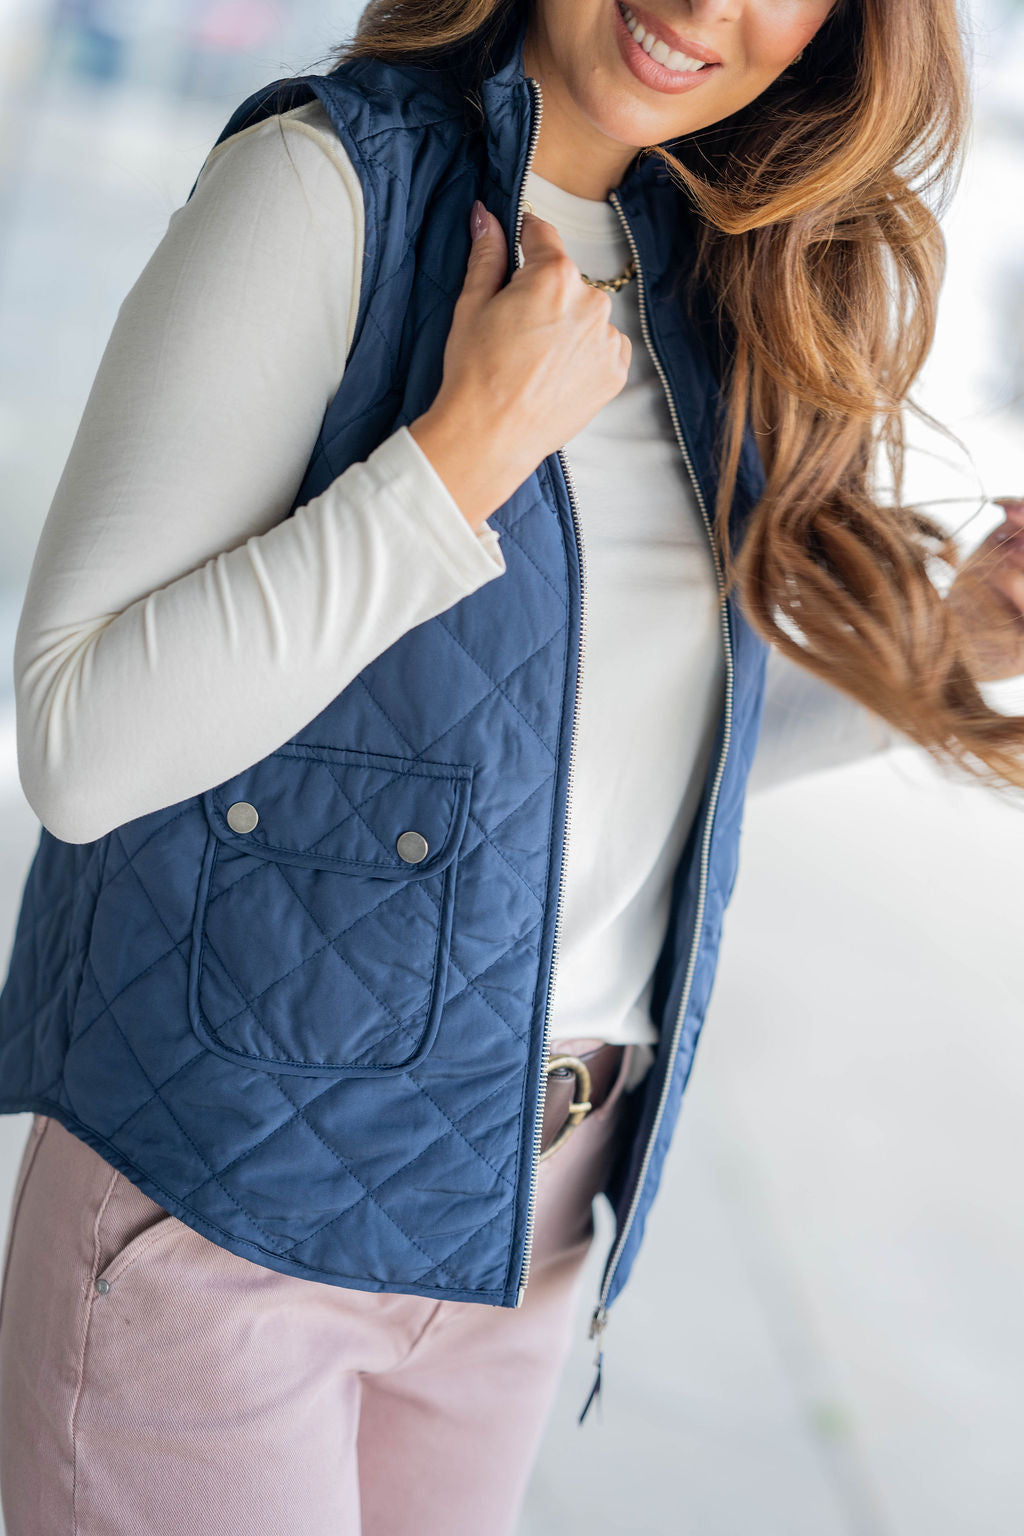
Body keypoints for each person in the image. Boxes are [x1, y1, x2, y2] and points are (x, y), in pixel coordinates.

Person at [1, 0, 1023, 1531]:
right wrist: (455, 460)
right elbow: (81, 746)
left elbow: (598, 755)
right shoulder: (325, 187)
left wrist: (965, 634)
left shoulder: (719, 275)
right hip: (231, 1216)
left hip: (519, 1240)